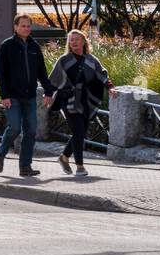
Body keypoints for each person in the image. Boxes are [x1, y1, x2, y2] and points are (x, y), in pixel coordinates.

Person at [0, 13, 56, 177]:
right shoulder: (7, 46)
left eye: (28, 26)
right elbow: (0, 72)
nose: (26, 29)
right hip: (12, 96)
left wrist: (48, 91)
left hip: (30, 96)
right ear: (15, 27)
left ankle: (25, 166)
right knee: (14, 128)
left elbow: (42, 72)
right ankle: (1, 153)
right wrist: (4, 95)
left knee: (31, 131)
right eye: (23, 26)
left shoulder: (34, 46)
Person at [48, 29, 115, 176]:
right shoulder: (64, 60)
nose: (74, 42)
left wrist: (110, 87)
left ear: (84, 41)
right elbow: (53, 80)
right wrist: (48, 94)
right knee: (78, 131)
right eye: (71, 40)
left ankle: (64, 157)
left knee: (81, 133)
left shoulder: (91, 60)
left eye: (77, 39)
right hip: (68, 100)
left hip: (86, 100)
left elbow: (101, 74)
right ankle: (80, 166)